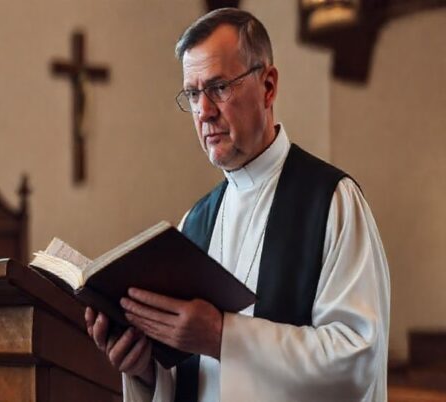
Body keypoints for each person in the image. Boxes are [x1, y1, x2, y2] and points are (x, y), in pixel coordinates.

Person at [85, 8, 389, 402]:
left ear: (268, 86)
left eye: (219, 87)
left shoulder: (332, 201)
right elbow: (192, 379)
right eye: (193, 94)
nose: (204, 111)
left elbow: (357, 360)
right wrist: (144, 370)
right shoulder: (195, 222)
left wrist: (222, 336)